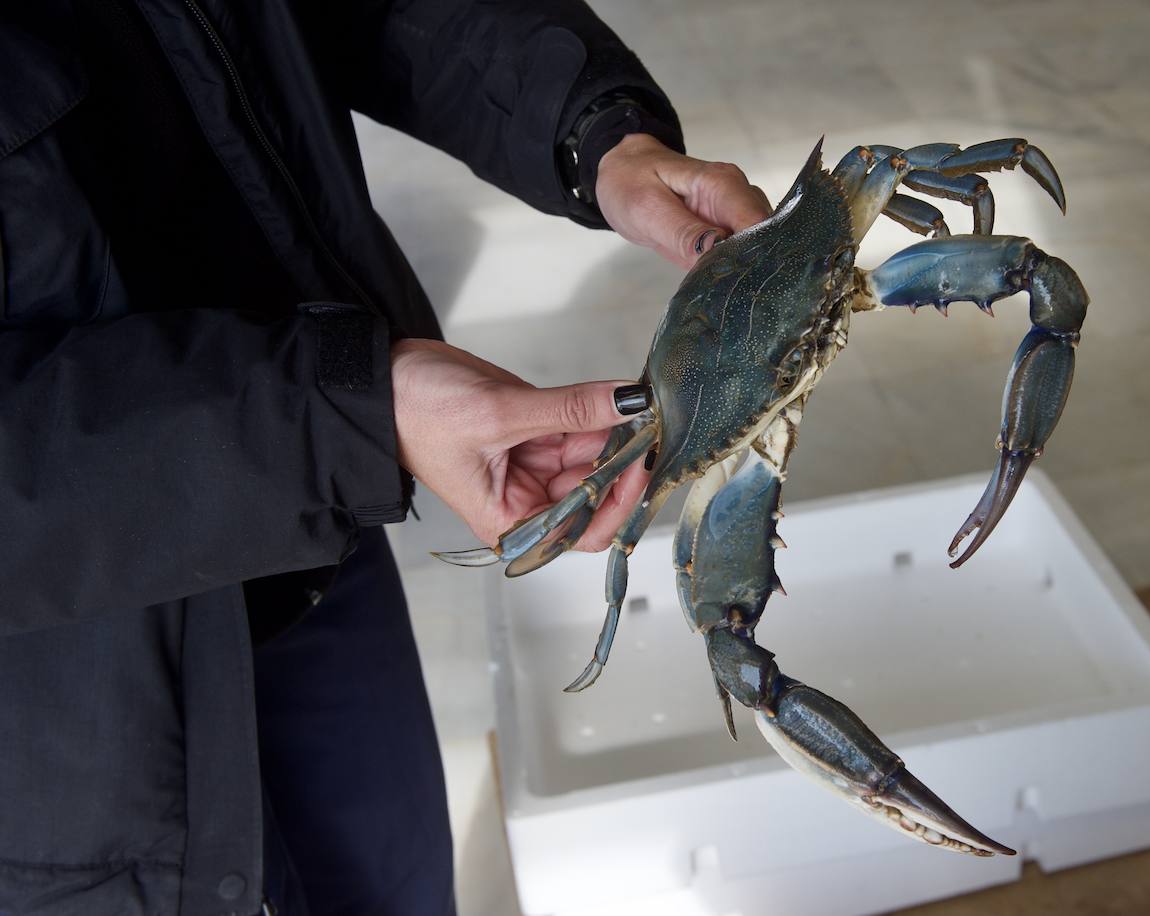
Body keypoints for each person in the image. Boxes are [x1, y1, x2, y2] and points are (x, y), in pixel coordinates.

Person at [0, 1, 771, 913]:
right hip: (65, 701)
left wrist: (596, 133)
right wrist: (350, 411)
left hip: (314, 532)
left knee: (401, 887)